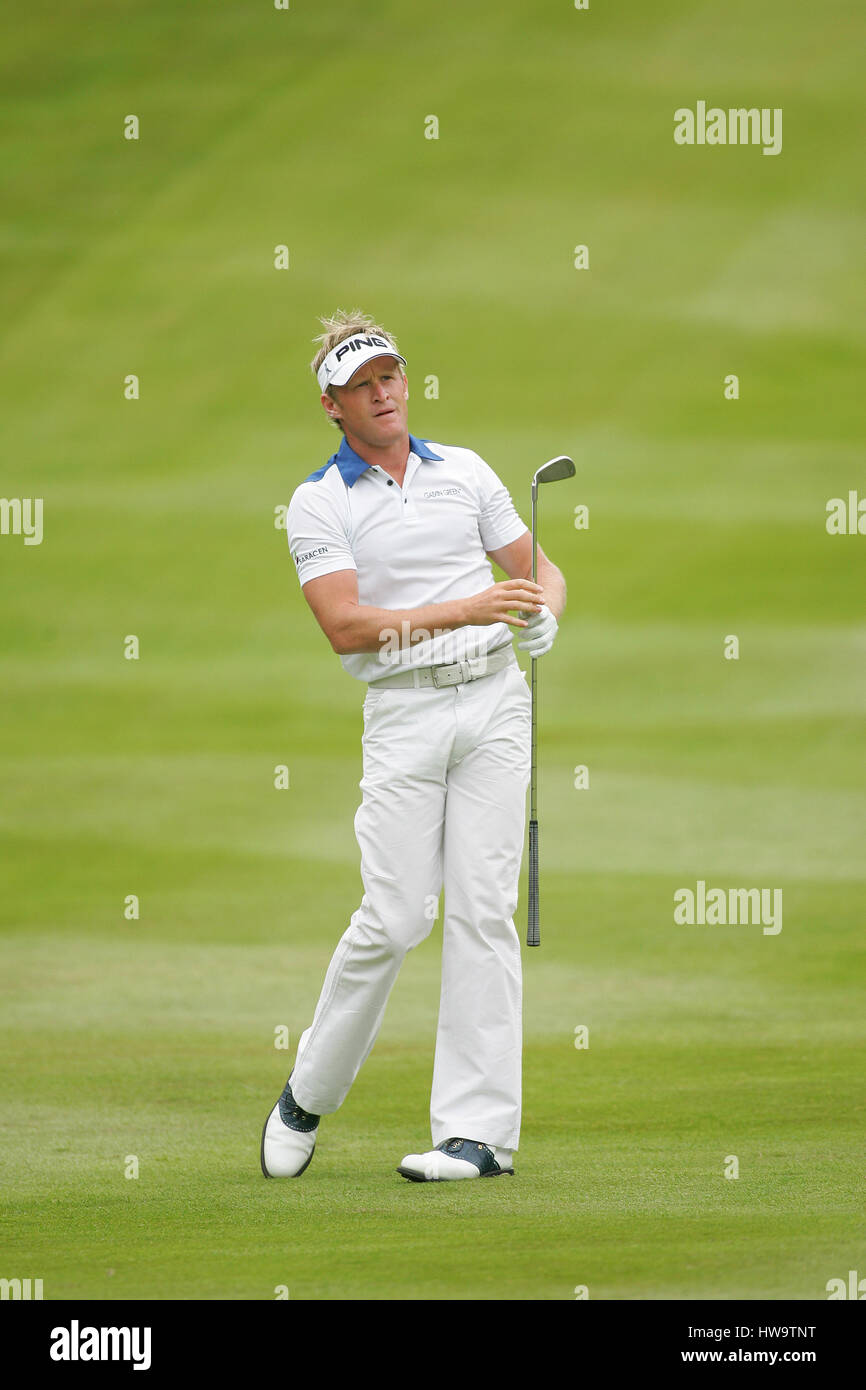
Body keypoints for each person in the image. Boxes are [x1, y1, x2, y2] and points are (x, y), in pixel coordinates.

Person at [261, 310, 566, 1182]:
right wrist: (467, 609)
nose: (383, 392)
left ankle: (475, 1137)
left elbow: (537, 568)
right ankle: (306, 1095)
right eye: (363, 383)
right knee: (396, 918)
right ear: (332, 404)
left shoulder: (463, 470)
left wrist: (545, 614)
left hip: (494, 702)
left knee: (483, 910)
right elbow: (345, 628)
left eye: (390, 375)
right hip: (404, 713)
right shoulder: (320, 502)